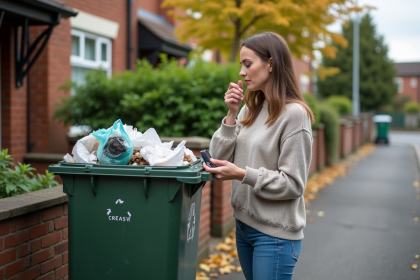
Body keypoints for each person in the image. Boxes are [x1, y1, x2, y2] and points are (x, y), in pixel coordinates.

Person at [203, 32, 315, 280]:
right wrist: (231, 115)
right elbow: (217, 156)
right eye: (242, 65)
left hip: (274, 235)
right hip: (244, 226)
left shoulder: (295, 115)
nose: (242, 72)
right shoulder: (251, 107)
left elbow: (293, 184)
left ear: (271, 64)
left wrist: (243, 174)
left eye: (248, 64)